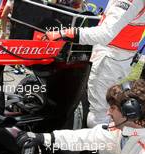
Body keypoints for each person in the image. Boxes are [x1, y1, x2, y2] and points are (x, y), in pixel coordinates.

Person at [43, 0, 145, 128]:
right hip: (121, 59)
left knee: (98, 116)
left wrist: (64, 33)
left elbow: (104, 34)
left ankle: (96, 146)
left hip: (110, 60)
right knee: (113, 109)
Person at [17, 79, 145, 154]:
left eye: (113, 108)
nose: (108, 112)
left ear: (130, 112)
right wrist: (44, 138)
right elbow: (87, 138)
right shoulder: (128, 132)